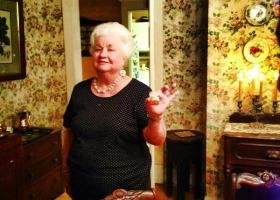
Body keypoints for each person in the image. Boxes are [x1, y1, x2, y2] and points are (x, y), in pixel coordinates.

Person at [62, 22, 179, 200]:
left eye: (111, 49)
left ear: (124, 56)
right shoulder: (80, 91)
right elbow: (69, 131)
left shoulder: (138, 92)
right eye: (98, 49)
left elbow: (156, 140)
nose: (103, 54)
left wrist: (155, 117)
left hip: (126, 190)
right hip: (81, 183)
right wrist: (65, 168)